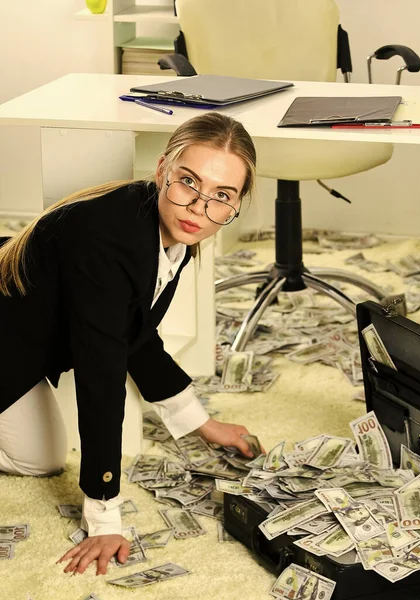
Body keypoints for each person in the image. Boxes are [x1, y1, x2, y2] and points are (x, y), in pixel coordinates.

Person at [0, 112, 258, 575]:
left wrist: (201, 422)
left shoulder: (168, 226)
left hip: (20, 345)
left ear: (236, 203)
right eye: (188, 182)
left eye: (222, 196)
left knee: (41, 459)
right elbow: (102, 377)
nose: (200, 208)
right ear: (162, 170)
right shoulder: (108, 237)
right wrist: (103, 515)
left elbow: (133, 334)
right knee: (39, 457)